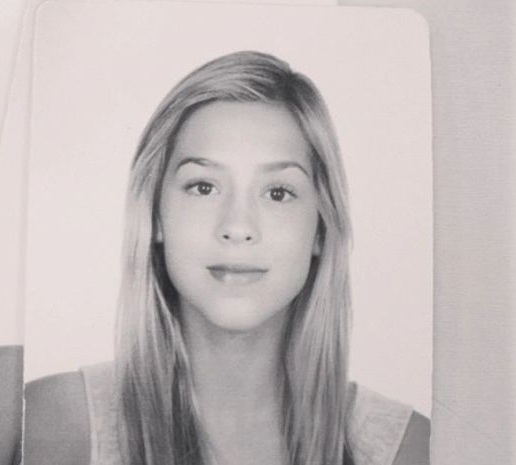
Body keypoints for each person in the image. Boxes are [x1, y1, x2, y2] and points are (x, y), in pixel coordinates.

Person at [24, 51, 430, 465]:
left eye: (277, 193)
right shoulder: (49, 422)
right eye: (203, 187)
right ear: (155, 216)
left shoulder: (409, 448)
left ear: (321, 228)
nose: (237, 226)